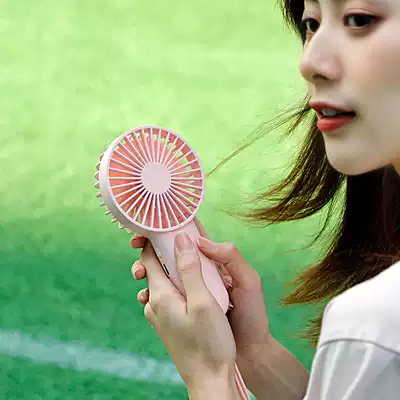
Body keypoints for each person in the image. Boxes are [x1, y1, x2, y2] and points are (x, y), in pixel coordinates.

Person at [129, 0, 400, 398]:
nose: (310, 62)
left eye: (359, 19)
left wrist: (210, 375)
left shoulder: (376, 324)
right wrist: (254, 351)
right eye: (311, 23)